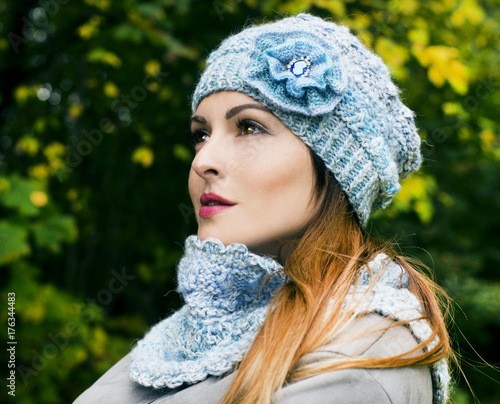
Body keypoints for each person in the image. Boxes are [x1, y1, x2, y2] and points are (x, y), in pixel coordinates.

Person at [74, 13, 452, 404]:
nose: (203, 161)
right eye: (201, 135)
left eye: (249, 127)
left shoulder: (362, 354)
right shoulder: (181, 339)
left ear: (338, 169)